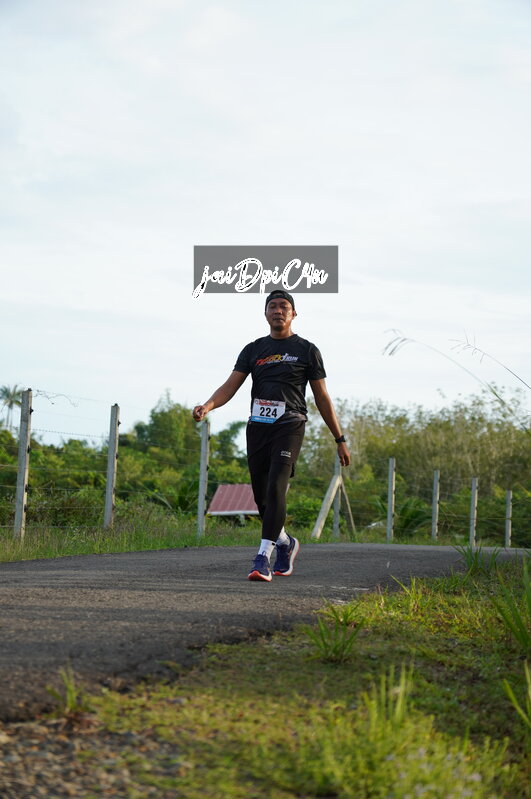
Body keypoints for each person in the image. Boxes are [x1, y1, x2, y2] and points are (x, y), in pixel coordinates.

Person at [192, 289, 350, 582]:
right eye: (272, 306)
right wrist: (208, 405)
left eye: (284, 307)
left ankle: (262, 557)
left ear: (293, 314)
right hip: (258, 427)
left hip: (290, 425)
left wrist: (339, 439)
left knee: (277, 486)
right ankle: (286, 543)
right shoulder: (254, 349)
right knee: (262, 499)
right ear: (265, 313)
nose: (278, 310)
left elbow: (322, 397)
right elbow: (231, 385)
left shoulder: (307, 350)